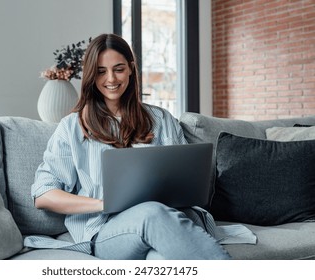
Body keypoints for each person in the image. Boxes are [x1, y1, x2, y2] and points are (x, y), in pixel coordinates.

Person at [25, 33, 231, 260]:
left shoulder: (161, 119)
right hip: (108, 230)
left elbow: (188, 181)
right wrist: (104, 203)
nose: (111, 78)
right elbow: (43, 195)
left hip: (171, 219)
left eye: (119, 69)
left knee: (159, 258)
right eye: (101, 71)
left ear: (131, 69)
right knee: (151, 213)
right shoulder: (72, 127)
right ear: (91, 76)